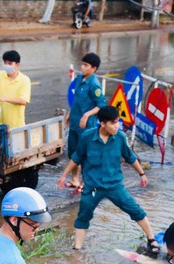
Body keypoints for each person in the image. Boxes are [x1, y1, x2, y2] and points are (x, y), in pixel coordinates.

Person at [57, 105, 159, 255]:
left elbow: (130, 157)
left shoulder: (120, 138)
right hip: (93, 186)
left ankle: (151, 239)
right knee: (83, 216)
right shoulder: (88, 137)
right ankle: (77, 249)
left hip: (114, 186)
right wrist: (63, 176)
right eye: (112, 123)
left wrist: (142, 174)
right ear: (102, 123)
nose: (116, 126)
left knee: (135, 210)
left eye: (117, 122)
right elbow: (76, 157)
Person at [66, 52, 108, 170]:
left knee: (84, 153)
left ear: (94, 68)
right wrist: (69, 114)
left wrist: (87, 115)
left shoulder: (94, 84)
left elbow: (101, 105)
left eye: (86, 65)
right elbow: (77, 99)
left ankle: (85, 182)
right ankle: (75, 179)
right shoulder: (80, 79)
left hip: (86, 125)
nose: (82, 67)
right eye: (82, 65)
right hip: (75, 122)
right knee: (73, 152)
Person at [0, 50, 31, 129]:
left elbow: (23, 101)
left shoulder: (24, 80)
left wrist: (4, 99)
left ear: (18, 65)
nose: (7, 66)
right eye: (5, 63)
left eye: (10, 63)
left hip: (16, 125)